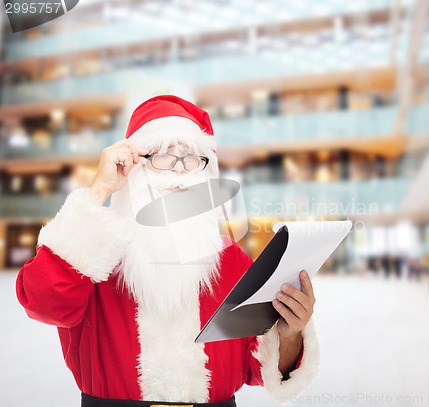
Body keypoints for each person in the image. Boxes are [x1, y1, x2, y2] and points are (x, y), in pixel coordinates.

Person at [16, 96, 319, 407]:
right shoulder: (91, 249)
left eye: (190, 158)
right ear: (132, 166)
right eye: (161, 156)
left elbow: (258, 367)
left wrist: (291, 332)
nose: (178, 171)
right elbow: (44, 302)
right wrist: (99, 191)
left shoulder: (232, 261)